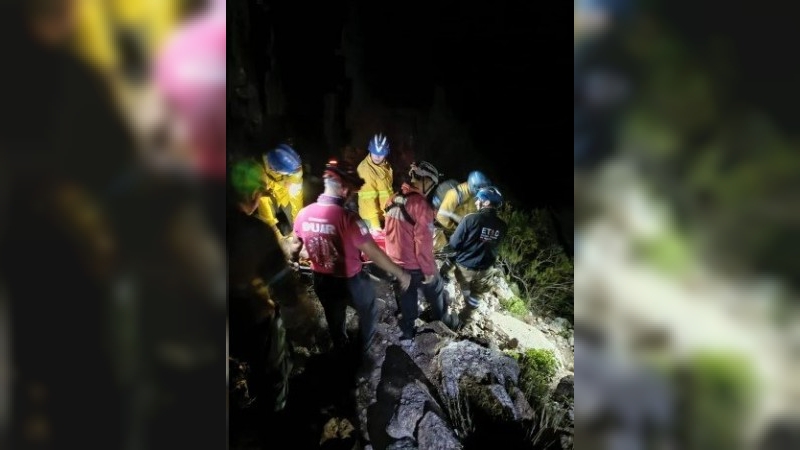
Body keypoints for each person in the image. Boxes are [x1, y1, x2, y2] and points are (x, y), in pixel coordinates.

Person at [290, 159, 411, 363]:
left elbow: (295, 247)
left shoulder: (303, 214)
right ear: (344, 189)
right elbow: (374, 254)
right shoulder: (349, 219)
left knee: (334, 317)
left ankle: (341, 347)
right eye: (351, 191)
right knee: (369, 310)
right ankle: (363, 353)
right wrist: (400, 273)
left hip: (321, 280)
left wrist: (294, 260)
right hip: (350, 282)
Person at [227, 158, 293, 419]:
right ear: (253, 194)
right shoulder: (255, 231)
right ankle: (275, 419)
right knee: (271, 373)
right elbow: (284, 285)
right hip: (254, 318)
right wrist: (304, 317)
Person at [384, 161, 455, 340]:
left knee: (406, 293)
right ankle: (442, 320)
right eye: (431, 183)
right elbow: (423, 243)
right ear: (425, 181)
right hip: (412, 263)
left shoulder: (393, 198)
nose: (431, 188)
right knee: (436, 286)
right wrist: (429, 271)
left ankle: (408, 330)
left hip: (393, 261)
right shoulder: (421, 205)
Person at [445, 187, 508, 330]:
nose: (476, 202)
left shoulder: (471, 218)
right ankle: (464, 319)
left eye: (479, 199)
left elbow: (454, 244)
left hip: (465, 268)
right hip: (486, 270)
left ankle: (452, 295)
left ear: (485, 202)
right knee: (478, 293)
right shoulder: (503, 226)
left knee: (454, 269)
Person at [435, 170, 491, 279]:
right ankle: (441, 269)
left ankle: (444, 272)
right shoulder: (454, 194)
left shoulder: (474, 197)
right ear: (475, 187)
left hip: (459, 226)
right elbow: (441, 216)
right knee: (458, 249)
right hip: (447, 226)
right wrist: (455, 228)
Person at [257, 143, 304, 241]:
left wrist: (298, 223)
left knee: (294, 225)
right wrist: (274, 232)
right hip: (267, 197)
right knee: (270, 233)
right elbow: (264, 205)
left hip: (284, 195)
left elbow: (296, 197)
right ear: (274, 169)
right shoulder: (259, 172)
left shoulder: (295, 170)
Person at [357, 133, 394, 231]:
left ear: (386, 153)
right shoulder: (366, 170)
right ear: (370, 150)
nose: (377, 156)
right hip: (371, 220)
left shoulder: (385, 166)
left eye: (381, 154)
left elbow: (387, 192)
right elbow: (368, 200)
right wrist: (375, 226)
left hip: (384, 216)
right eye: (374, 152)